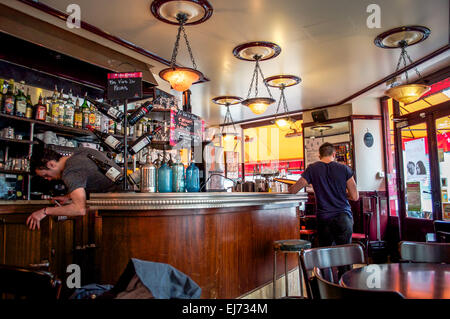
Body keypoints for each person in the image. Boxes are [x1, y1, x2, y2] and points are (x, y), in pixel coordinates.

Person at [26, 146, 122, 230]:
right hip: (128, 198)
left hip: (118, 209)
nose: (48, 179)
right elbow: (92, 176)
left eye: (46, 175)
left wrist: (44, 212)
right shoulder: (81, 152)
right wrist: (69, 196)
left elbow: (79, 209)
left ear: (51, 164)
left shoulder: (69, 172)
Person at [289, 142, 359, 247]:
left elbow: (294, 190)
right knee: (345, 256)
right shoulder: (344, 169)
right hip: (343, 217)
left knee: (325, 256)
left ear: (319, 155)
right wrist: (341, 193)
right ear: (334, 154)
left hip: (324, 218)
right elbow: (355, 196)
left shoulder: (312, 169)